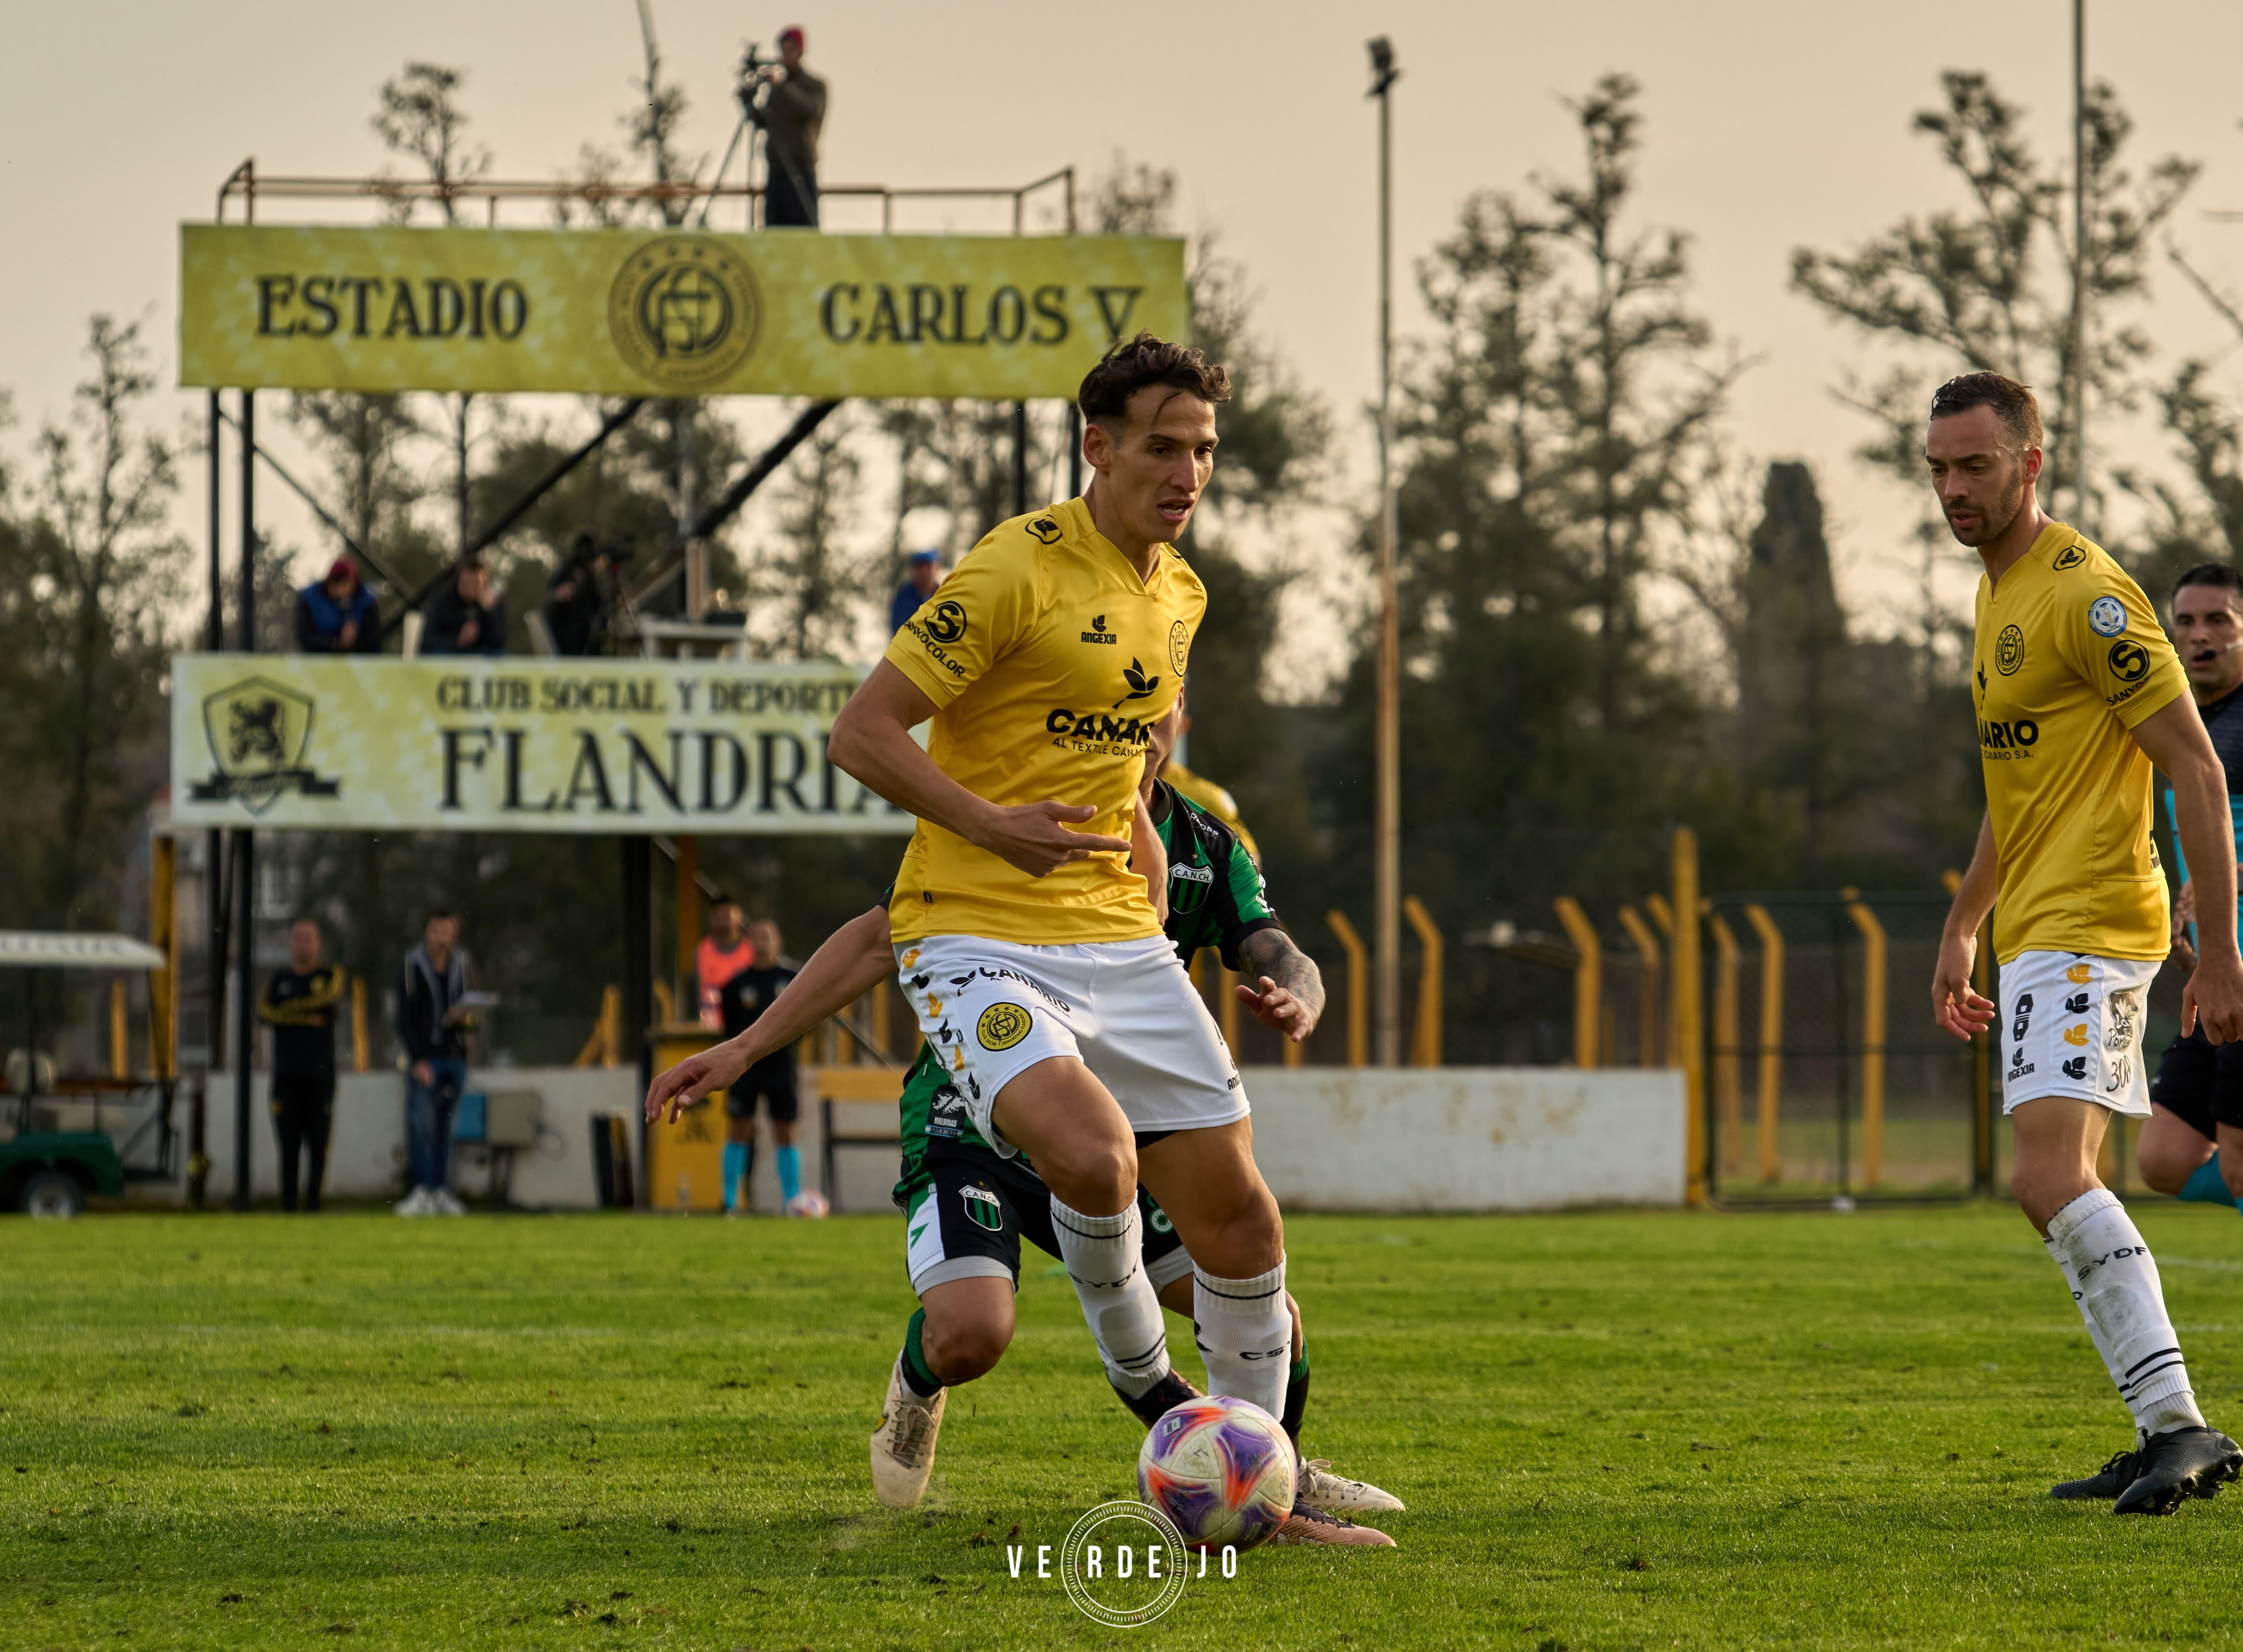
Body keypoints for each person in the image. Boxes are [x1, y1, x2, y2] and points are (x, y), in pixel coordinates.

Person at [644, 706, 1398, 1544]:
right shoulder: (1028, 816)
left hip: (1110, 1135)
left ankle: (1271, 1476)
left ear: (1181, 716)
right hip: (975, 1123)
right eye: (1123, 703)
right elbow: (876, 939)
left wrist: (1304, 992)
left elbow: (1278, 947)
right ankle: (921, 1378)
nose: (1139, 723)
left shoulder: (1206, 847)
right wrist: (744, 1049)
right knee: (973, 1333)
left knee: (1265, 1302)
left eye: (1156, 706)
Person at [827, 334, 1298, 1443]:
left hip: (1117, 942)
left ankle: (1252, 1477)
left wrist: (1146, 861)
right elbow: (860, 733)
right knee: (1093, 1152)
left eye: (1205, 451)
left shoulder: (1181, 593)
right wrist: (992, 826)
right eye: (1161, 448)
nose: (1187, 474)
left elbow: (1126, 768)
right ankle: (1157, 1405)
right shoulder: (1014, 567)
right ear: (1097, 446)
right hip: (977, 935)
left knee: (1243, 1222)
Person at [1926, 371, 2243, 1515]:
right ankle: (2161, 1424)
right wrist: (1965, 921)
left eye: (1975, 465)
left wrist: (2220, 946)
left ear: (2032, 461)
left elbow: (2195, 765)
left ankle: (2180, 1426)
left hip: (2097, 923)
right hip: (2038, 926)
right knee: (2061, 1180)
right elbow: (2019, 787)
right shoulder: (1996, 595)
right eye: (1940, 469)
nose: (1955, 488)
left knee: (2046, 1175)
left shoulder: (2089, 598)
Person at [2139, 564, 2243, 1213]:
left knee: (2236, 1165)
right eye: (2185, 621)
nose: (2199, 635)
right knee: (2164, 1158)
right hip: (2215, 975)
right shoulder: (2170, 719)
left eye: (2218, 621)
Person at [256, 918, 346, 1212]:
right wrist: (306, 1019)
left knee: (319, 1142)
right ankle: (288, 1205)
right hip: (286, 1077)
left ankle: (314, 1204)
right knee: (288, 1144)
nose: (303, 944)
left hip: (320, 1077)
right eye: (298, 938)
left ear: (318, 943)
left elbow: (328, 1001)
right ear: (291, 943)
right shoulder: (278, 979)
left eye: (309, 938)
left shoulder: (331, 975)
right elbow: (264, 1013)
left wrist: (288, 1012)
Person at [715, 918, 802, 1214]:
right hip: (746, 1068)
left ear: (778, 942)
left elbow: (807, 1019)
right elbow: (727, 1027)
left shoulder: (792, 980)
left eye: (768, 936)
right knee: (739, 1127)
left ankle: (792, 1202)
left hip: (781, 1066)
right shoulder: (736, 986)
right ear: (748, 943)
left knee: (785, 1130)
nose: (762, 941)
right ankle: (729, 1203)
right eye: (756, 936)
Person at [396, 910, 475, 1217]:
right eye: (436, 932)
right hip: (426, 1061)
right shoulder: (411, 965)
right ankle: (421, 1191)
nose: (441, 939)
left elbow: (473, 1018)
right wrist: (417, 1059)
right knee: (421, 1127)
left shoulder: (463, 964)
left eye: (447, 933)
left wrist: (465, 1020)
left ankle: (443, 1191)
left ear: (454, 935)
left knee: (447, 1129)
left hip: (455, 1058)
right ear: (427, 933)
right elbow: (404, 1018)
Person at [750, 25, 826, 229]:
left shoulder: (814, 85)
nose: (784, 56)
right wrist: (748, 102)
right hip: (777, 169)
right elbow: (764, 122)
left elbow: (810, 110)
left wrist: (782, 86)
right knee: (773, 226)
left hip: (801, 169)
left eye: (789, 50)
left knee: (804, 228)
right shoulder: (778, 91)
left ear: (800, 52)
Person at [545, 535, 630, 657]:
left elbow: (597, 604)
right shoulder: (571, 574)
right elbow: (559, 599)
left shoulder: (585, 576)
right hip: (572, 644)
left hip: (582, 640)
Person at [294, 558, 383, 655]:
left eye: (346, 585)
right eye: (337, 585)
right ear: (329, 583)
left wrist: (356, 641)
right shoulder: (310, 598)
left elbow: (375, 642)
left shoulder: (367, 601)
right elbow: (305, 637)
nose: (342, 592)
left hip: (358, 661)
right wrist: (335, 644)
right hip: (319, 661)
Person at [695, 897, 757, 1029]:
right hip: (711, 1027)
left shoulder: (752, 950)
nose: (723, 920)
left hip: (747, 1026)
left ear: (739, 917)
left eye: (727, 914)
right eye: (718, 915)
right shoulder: (702, 951)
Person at [422, 559, 506, 655]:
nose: (470, 588)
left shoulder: (492, 603)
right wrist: (458, 641)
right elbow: (427, 643)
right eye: (466, 583)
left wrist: (488, 612)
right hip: (450, 654)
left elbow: (499, 644)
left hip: (480, 658)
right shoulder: (442, 599)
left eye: (475, 583)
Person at [889, 549, 946, 635]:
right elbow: (899, 630)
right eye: (920, 567)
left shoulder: (944, 595)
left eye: (929, 567)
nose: (925, 572)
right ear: (913, 570)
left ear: (938, 568)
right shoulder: (903, 597)